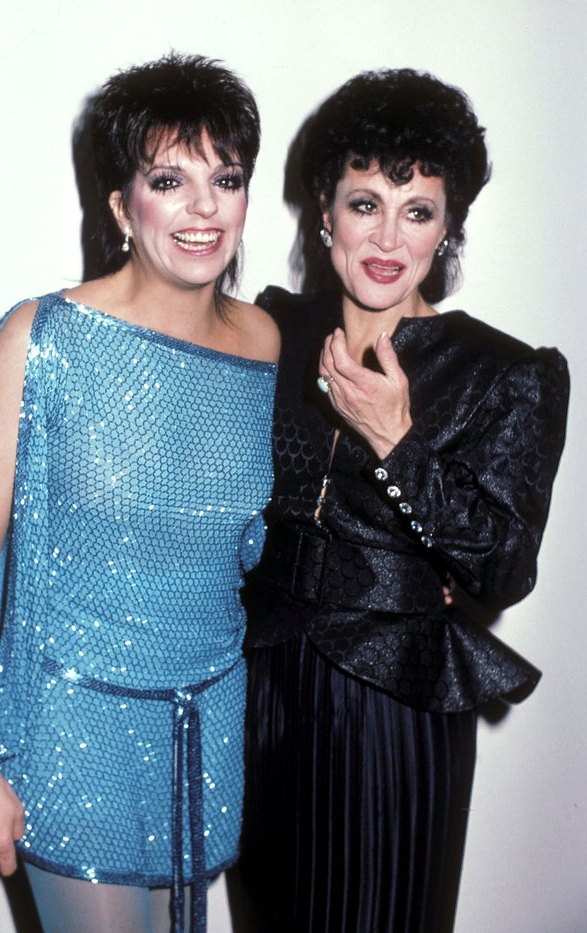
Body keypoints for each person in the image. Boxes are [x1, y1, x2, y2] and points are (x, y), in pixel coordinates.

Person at [0, 52, 279, 933]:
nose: (203, 208)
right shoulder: (41, 339)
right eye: (169, 179)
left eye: (224, 179)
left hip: (205, 729)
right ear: (122, 206)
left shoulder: (264, 343)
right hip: (70, 732)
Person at [238, 68, 569, 933]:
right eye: (365, 203)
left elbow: (503, 566)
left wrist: (397, 440)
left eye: (416, 209)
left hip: (391, 708)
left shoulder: (504, 372)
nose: (388, 236)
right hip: (265, 693)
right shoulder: (272, 333)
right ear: (324, 209)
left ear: (447, 224)